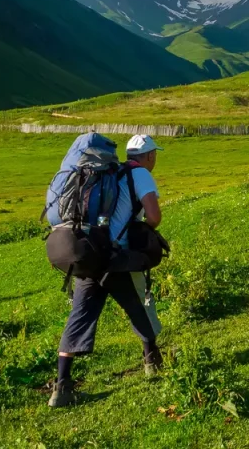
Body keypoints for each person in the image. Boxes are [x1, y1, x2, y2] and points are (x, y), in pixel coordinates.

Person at [49, 135, 165, 408]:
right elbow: (155, 216)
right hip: (116, 258)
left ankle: (62, 387)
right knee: (139, 306)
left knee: (78, 317)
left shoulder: (108, 174)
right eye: (154, 155)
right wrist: (143, 232)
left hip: (88, 254)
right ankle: (153, 364)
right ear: (149, 156)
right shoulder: (140, 175)